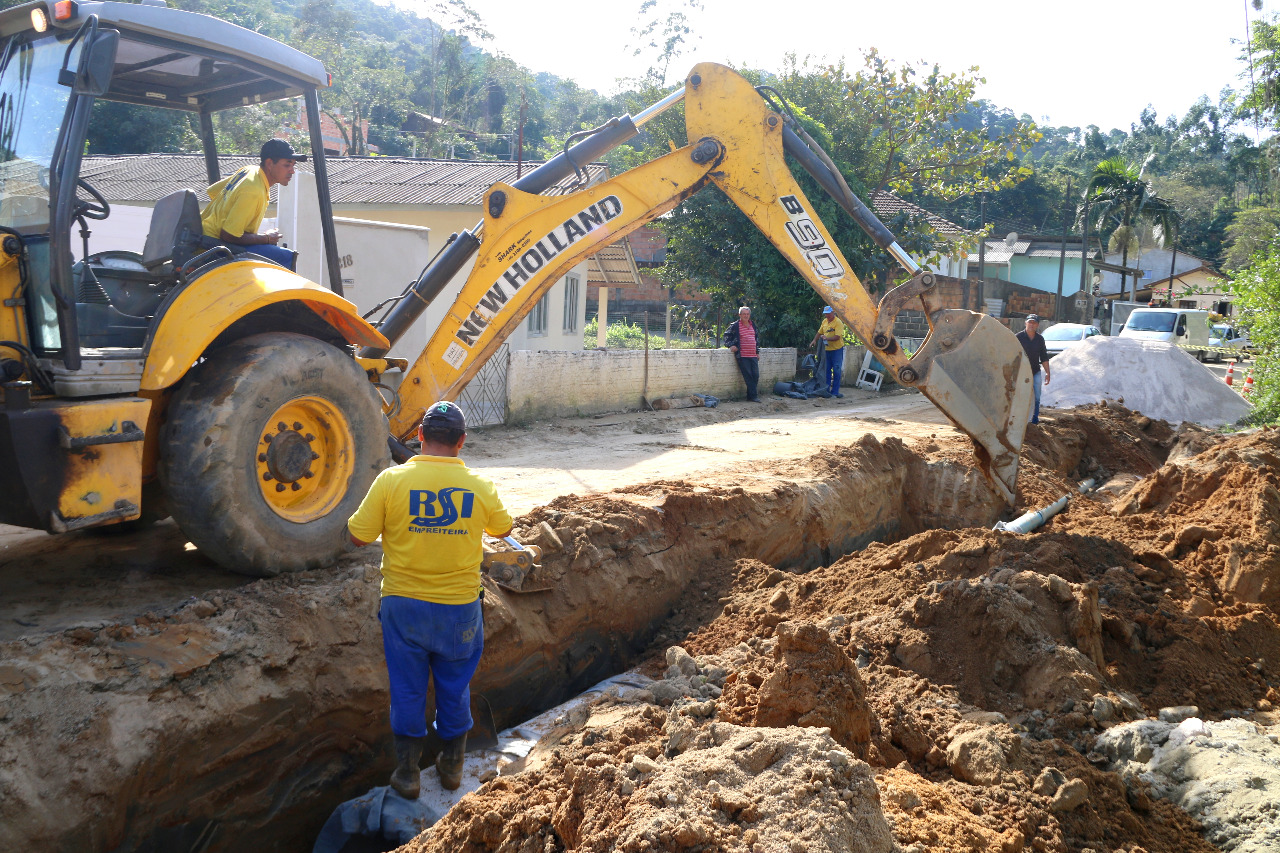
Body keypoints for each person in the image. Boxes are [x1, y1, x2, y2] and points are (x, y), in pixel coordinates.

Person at [347, 401, 513, 798]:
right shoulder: (479, 485)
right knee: (454, 687)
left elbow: (357, 535)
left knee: (407, 688)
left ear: (419, 436)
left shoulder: (390, 481)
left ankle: (407, 774)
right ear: (461, 441)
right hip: (458, 610)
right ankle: (452, 766)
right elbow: (505, 527)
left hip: (403, 607)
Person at [199, 138, 304, 270]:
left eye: (293, 165)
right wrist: (266, 238)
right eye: (287, 165)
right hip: (212, 247)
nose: (292, 171)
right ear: (270, 163)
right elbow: (228, 235)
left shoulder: (250, 170)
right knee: (284, 257)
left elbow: (213, 191)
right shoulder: (253, 191)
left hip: (205, 236)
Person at [1016, 314, 1051, 424]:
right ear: (1025, 323)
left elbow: (1044, 356)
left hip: (1035, 371)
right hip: (1021, 372)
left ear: (1038, 325)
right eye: (1030, 322)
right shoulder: (1018, 337)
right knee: (1021, 395)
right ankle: (1019, 419)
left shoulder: (1040, 339)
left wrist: (1047, 372)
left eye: (1034, 322)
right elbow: (1013, 354)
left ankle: (1034, 419)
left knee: (1036, 395)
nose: (1032, 324)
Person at [724, 305, 761, 401]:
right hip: (742, 355)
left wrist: (757, 352)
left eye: (748, 314)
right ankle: (754, 396)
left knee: (755, 375)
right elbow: (726, 336)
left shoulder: (753, 324)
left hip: (753, 354)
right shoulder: (735, 325)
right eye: (744, 314)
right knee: (748, 375)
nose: (746, 316)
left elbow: (756, 339)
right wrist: (731, 345)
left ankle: (750, 396)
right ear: (739, 315)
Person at [809, 305, 847, 398]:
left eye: (829, 313)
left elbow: (837, 337)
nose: (827, 316)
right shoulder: (824, 321)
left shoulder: (838, 322)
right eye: (826, 314)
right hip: (827, 350)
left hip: (837, 350)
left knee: (837, 370)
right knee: (827, 371)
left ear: (833, 312)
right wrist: (814, 340)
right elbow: (819, 332)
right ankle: (826, 391)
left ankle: (835, 392)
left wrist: (827, 338)